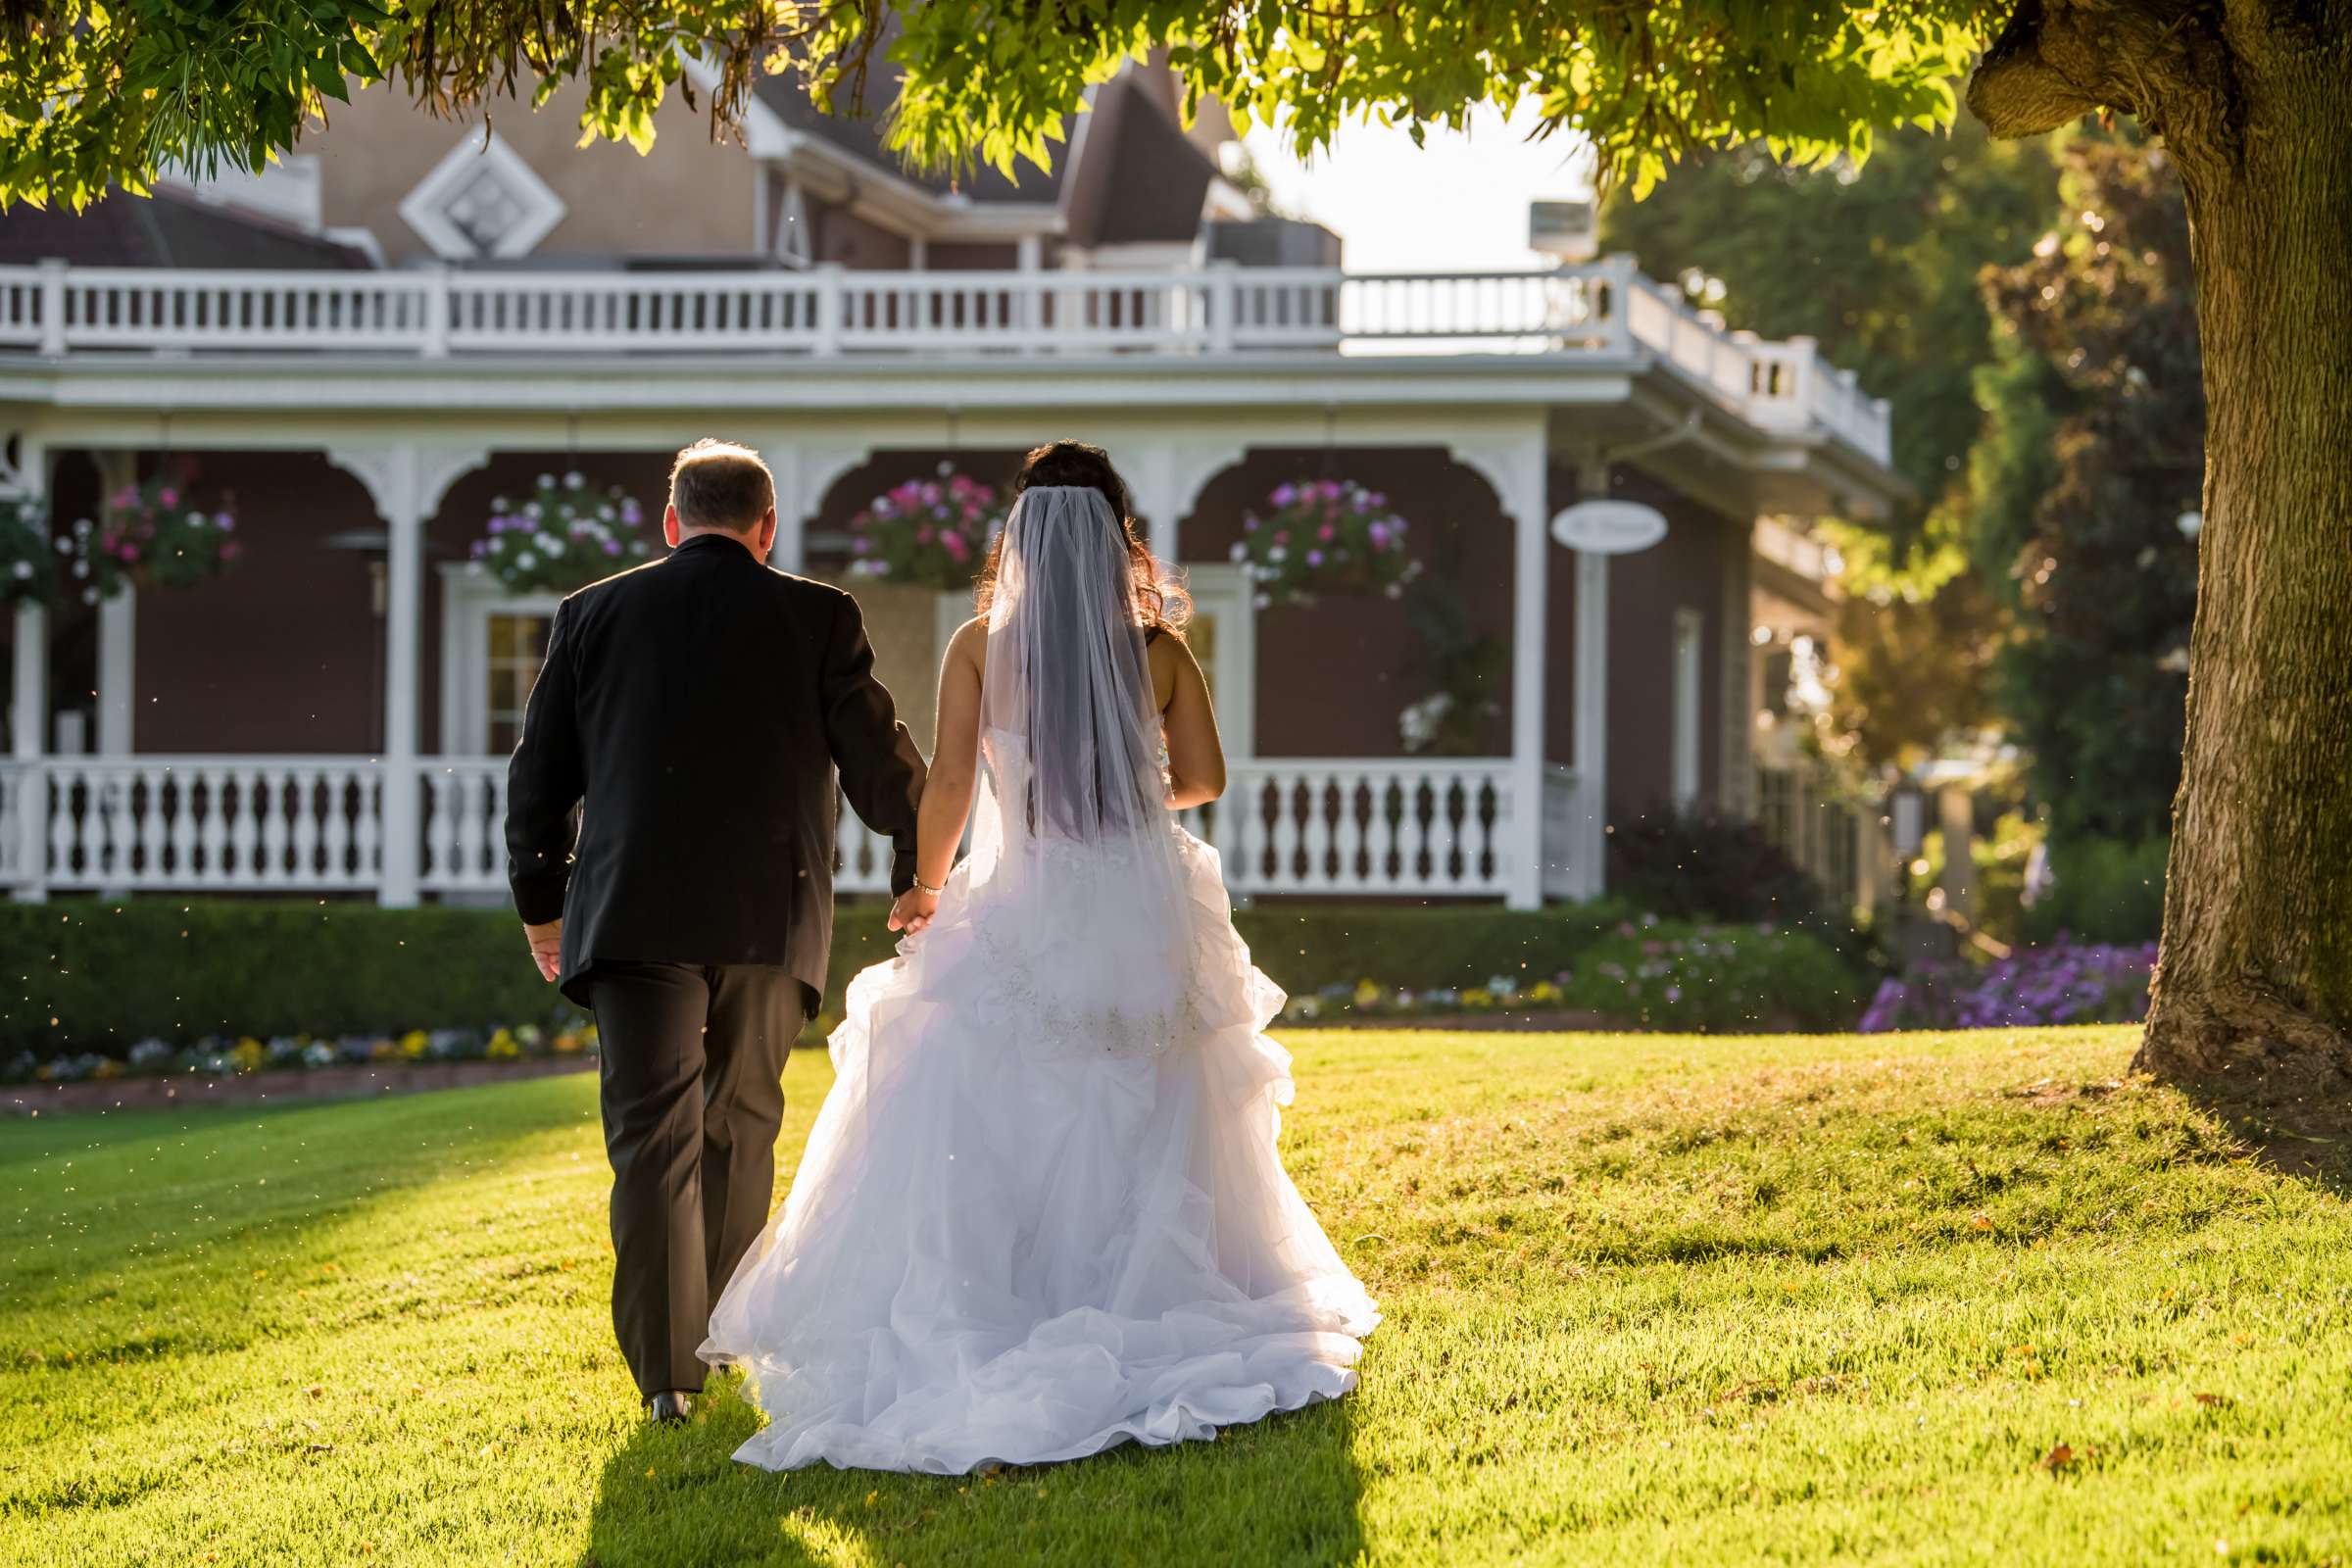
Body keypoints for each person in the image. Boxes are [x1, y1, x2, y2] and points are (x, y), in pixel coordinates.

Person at [702, 439, 1377, 1473]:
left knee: (1006, 1097)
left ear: (1019, 538)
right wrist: (1118, 788)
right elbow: (1204, 777)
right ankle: (1144, 1289)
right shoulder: (1155, 651)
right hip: (1137, 895)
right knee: (1151, 1099)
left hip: (1025, 890)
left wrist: (925, 886)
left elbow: (950, 788)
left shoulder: (981, 643)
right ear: (1115, 539)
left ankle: (1018, 1297)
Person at [504, 438, 927, 1424]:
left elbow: (537, 781)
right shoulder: (819, 615)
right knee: (740, 1122)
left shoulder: (591, 615)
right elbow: (882, 763)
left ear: (671, 521)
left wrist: (541, 905)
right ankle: (726, 1337)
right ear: (767, 526)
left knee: (652, 1139)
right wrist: (916, 873)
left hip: (633, 912)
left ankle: (667, 1379)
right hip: (769, 911)